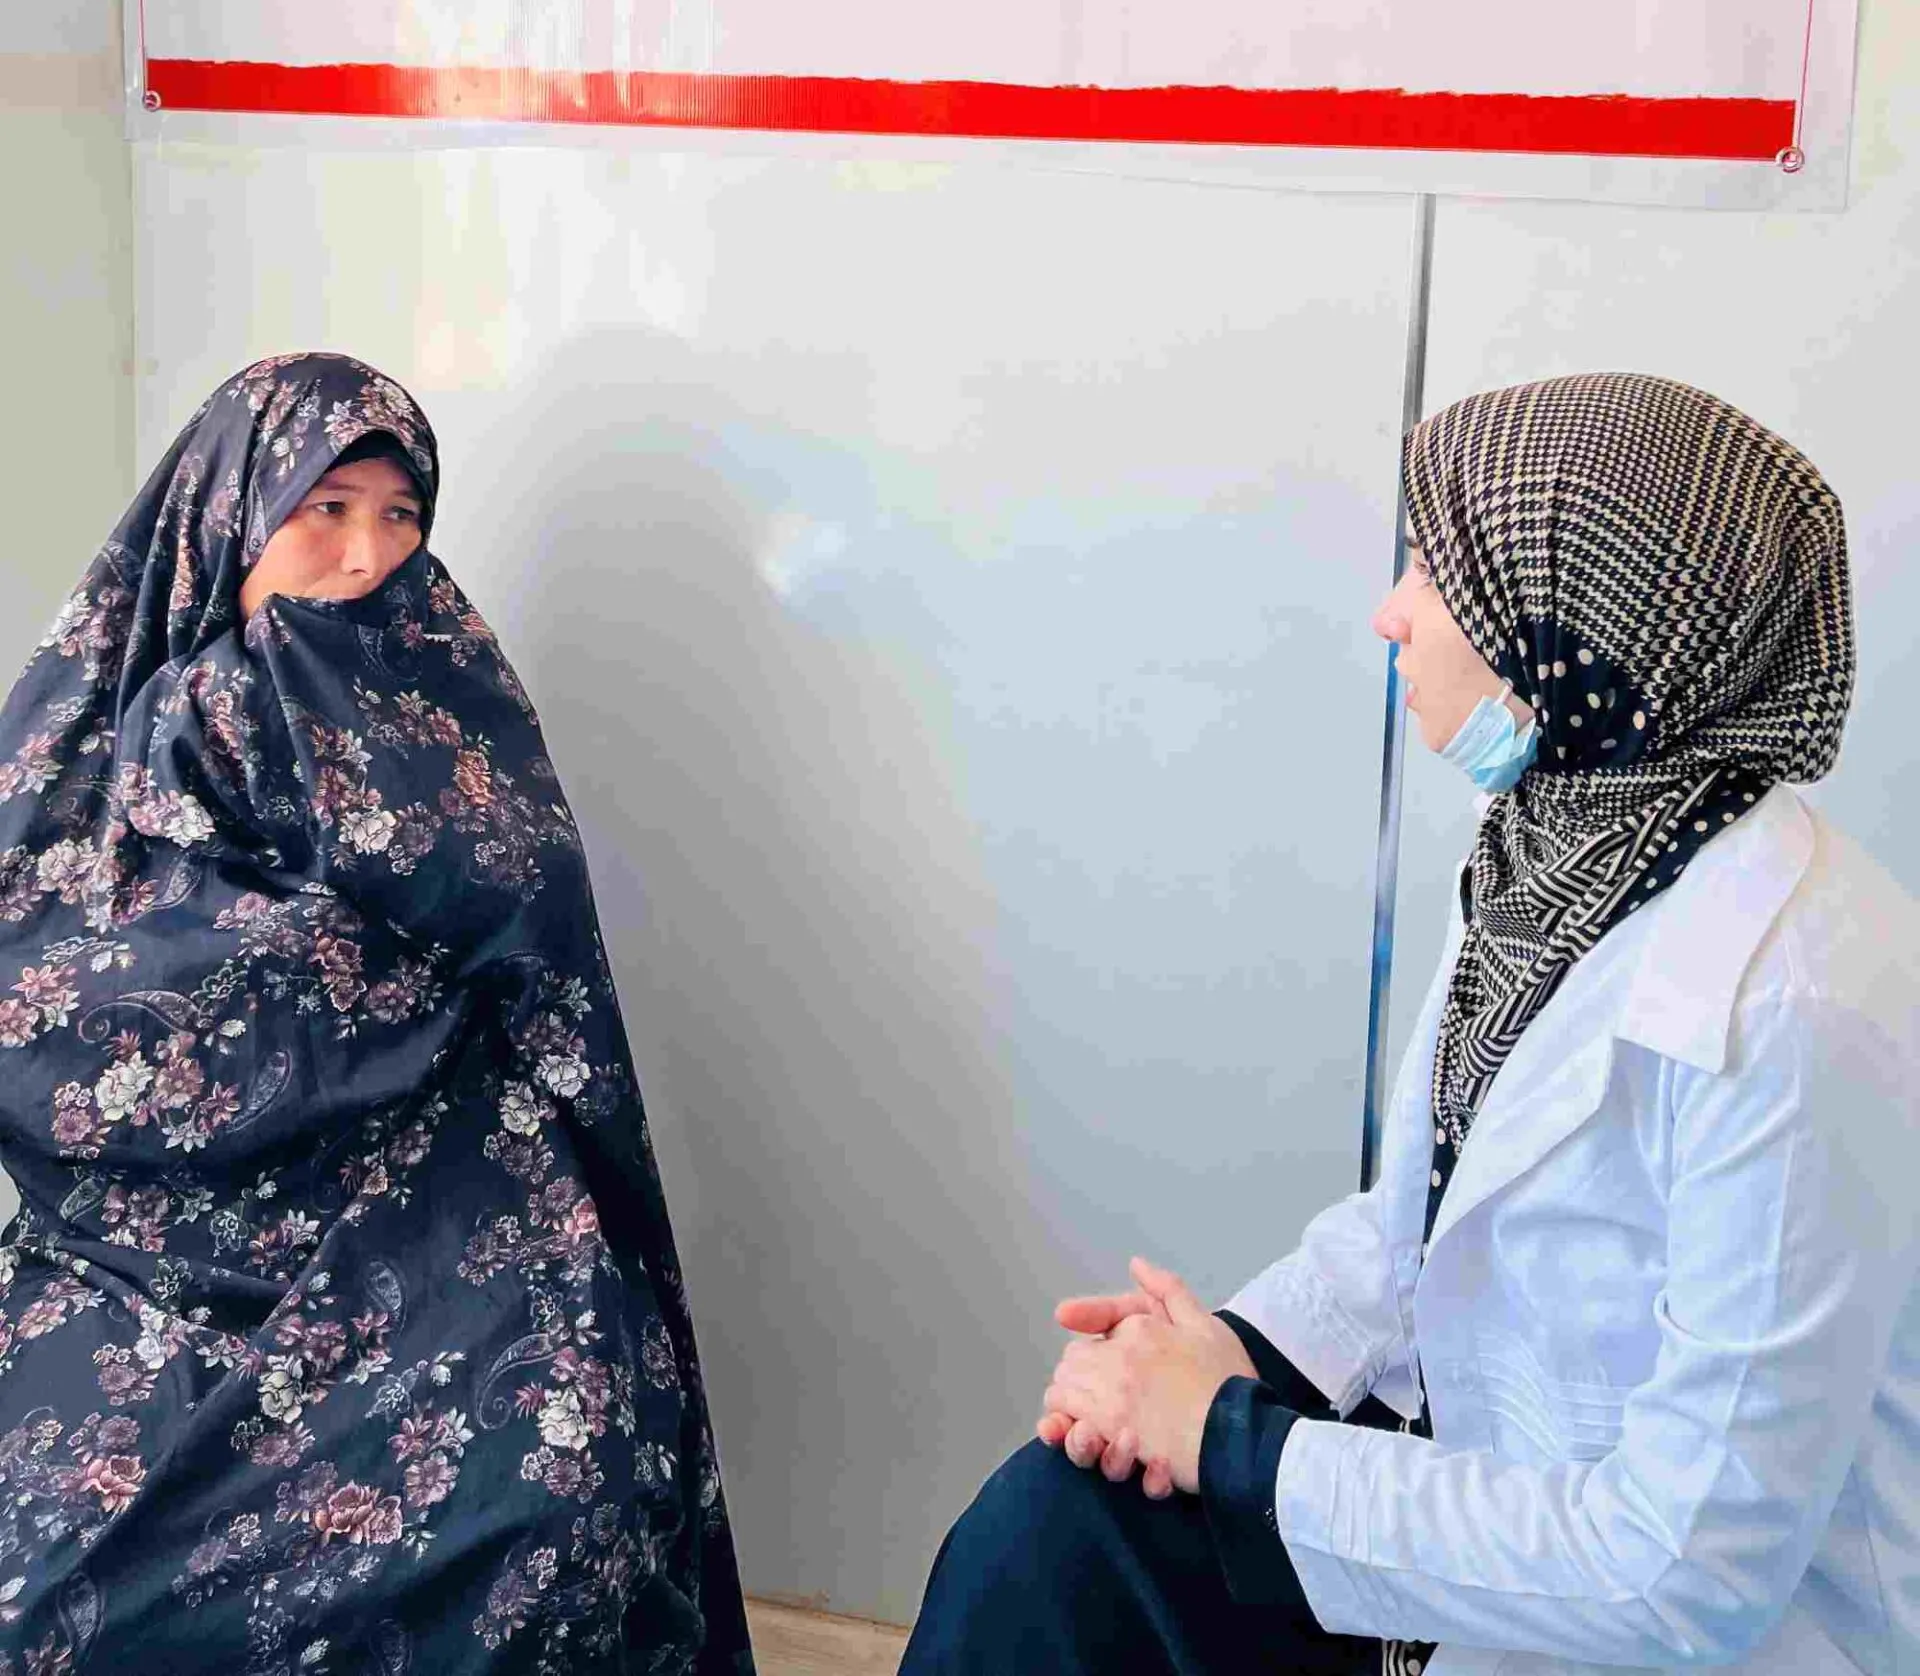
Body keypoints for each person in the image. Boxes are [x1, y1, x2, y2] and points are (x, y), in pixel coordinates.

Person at [899, 371, 1920, 1676]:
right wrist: (1224, 1358)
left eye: (1444, 571)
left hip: (1687, 1637)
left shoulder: (1795, 1010)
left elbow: (1686, 1572)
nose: (1393, 612)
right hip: (1483, 1547)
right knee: (1057, 1526)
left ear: (1579, 622)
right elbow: (1409, 1242)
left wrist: (1230, 1441)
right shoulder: (1554, 860)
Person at [0, 353, 755, 1675]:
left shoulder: (448, 705)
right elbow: (51, 1000)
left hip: (446, 1208)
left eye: (402, 515)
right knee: (60, 1570)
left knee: (560, 1486)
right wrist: (344, 968)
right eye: (327, 507)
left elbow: (536, 936)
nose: (366, 555)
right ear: (231, 517)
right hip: (157, 1262)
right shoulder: (133, 738)